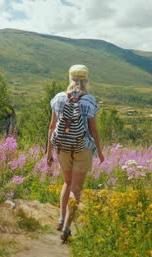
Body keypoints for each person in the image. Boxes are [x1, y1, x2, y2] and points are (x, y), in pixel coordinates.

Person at [46, 64, 104, 243]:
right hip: (83, 148)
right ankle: (67, 228)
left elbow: (52, 126)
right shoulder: (89, 100)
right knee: (76, 189)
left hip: (62, 147)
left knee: (67, 182)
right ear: (86, 80)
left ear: (70, 79)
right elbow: (93, 129)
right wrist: (100, 152)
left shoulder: (58, 98)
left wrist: (49, 152)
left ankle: (61, 218)